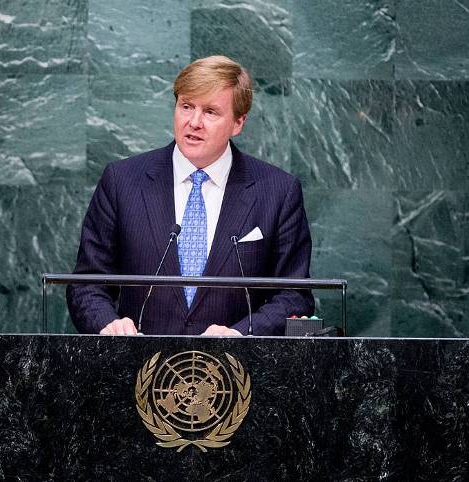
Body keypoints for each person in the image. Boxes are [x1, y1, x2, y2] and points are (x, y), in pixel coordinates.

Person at [67, 55, 313, 336]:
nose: (194, 122)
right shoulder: (122, 181)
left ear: (238, 123)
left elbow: (294, 295)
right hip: (138, 369)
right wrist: (108, 325)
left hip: (236, 371)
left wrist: (241, 334)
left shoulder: (278, 192)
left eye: (210, 112)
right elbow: (88, 282)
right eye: (186, 106)